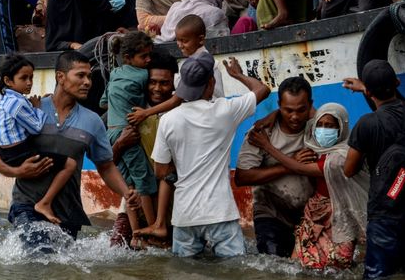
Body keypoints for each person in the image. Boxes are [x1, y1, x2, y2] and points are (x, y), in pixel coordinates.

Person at [0, 51, 139, 245]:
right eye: (80, 75)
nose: (88, 82)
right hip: (27, 205)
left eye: (89, 76)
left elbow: (106, 166)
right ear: (60, 77)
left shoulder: (92, 121)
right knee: (38, 261)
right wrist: (18, 171)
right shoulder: (32, 108)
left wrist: (126, 193)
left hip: (68, 212)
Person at [152, 53, 271, 257]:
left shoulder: (168, 120)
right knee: (233, 270)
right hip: (220, 213)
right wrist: (237, 75)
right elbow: (262, 90)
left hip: (185, 216)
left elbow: (160, 171)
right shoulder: (225, 111)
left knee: (184, 272)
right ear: (211, 82)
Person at [247, 102, 369, 268]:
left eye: (330, 126)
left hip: (339, 213)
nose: (323, 129)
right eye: (320, 124)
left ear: (341, 128)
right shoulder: (317, 147)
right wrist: (274, 113)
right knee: (300, 262)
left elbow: (298, 168)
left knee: (336, 263)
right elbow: (303, 110)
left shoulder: (339, 158)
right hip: (315, 211)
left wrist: (267, 146)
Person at [343, 60, 405, 279]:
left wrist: (367, 88)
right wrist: (368, 88)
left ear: (370, 92)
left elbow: (349, 170)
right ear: (398, 82)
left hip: (385, 214)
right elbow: (401, 106)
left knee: (378, 276)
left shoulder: (366, 124)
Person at [235, 76, 315, 258]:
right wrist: (290, 164)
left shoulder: (320, 127)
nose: (294, 116)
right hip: (271, 212)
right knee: (275, 265)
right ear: (279, 105)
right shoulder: (261, 133)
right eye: (288, 110)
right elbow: (242, 178)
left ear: (310, 105)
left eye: (301, 110)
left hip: (310, 215)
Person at [0, 54, 76, 225]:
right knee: (70, 164)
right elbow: (37, 127)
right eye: (24, 78)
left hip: (9, 153)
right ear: (8, 81)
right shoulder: (18, 103)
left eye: (31, 77)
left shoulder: (6, 101)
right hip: (20, 153)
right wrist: (39, 108)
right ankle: (45, 203)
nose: (29, 82)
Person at [109, 49, 178, 247]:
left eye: (164, 83)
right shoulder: (127, 113)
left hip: (173, 205)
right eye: (152, 82)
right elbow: (107, 164)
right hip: (134, 203)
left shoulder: (181, 114)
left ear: (174, 83)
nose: (157, 88)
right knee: (117, 254)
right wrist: (121, 143)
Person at [103, 32, 157, 234]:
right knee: (144, 182)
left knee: (128, 186)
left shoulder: (115, 73)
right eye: (144, 57)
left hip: (111, 132)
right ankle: (152, 229)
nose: (148, 60)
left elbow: (103, 101)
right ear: (128, 57)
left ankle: (135, 234)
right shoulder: (144, 75)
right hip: (128, 133)